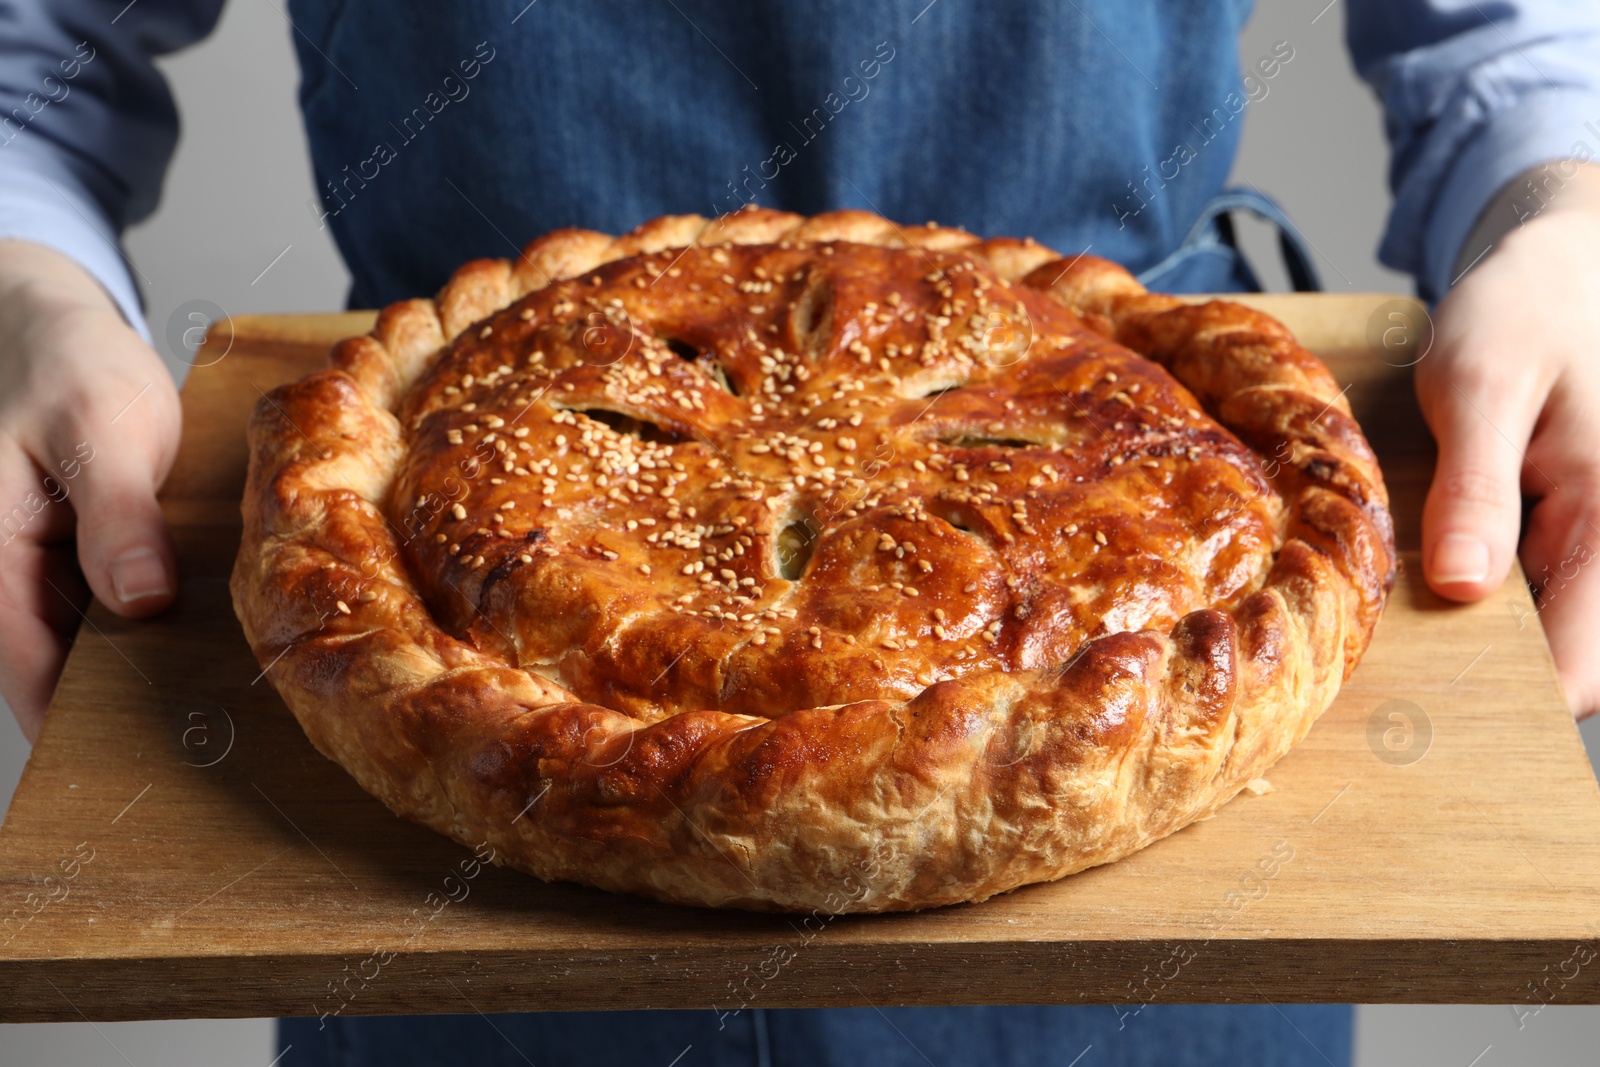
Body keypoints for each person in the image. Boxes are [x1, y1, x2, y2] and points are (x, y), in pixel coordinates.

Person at [2, 2, 1597, 1064]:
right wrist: (24, 284)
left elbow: (1506, 37)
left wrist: (1563, 216)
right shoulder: (377, 541)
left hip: (1151, 965)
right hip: (460, 974)